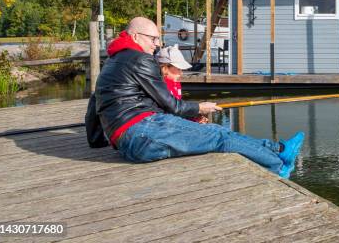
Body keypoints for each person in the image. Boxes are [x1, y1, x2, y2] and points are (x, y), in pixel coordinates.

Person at [86, 16, 303, 178]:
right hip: (141, 133)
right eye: (153, 39)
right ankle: (280, 166)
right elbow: (172, 106)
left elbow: (94, 105)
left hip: (128, 138)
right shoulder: (140, 59)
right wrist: (200, 108)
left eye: (158, 39)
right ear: (135, 36)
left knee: (216, 132)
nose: (157, 44)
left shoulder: (112, 62)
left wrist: (97, 142)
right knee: (221, 138)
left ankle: (278, 150)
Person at [156, 44, 208, 124]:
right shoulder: (159, 86)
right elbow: (169, 110)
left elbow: (178, 109)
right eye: (178, 69)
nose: (181, 73)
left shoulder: (175, 83)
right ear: (165, 68)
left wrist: (193, 118)